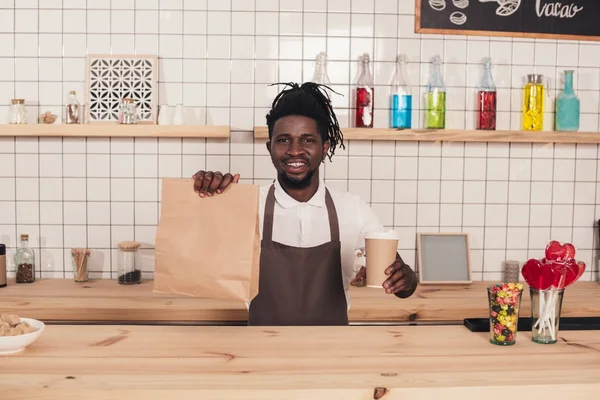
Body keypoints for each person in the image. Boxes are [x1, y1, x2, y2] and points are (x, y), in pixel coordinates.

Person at [193, 82, 417, 326]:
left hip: (331, 354)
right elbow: (196, 256)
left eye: (307, 140)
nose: (295, 151)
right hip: (260, 351)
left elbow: (399, 278)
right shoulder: (244, 206)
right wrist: (205, 196)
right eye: (284, 140)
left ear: (325, 148)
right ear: (270, 148)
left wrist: (405, 279)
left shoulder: (353, 210)